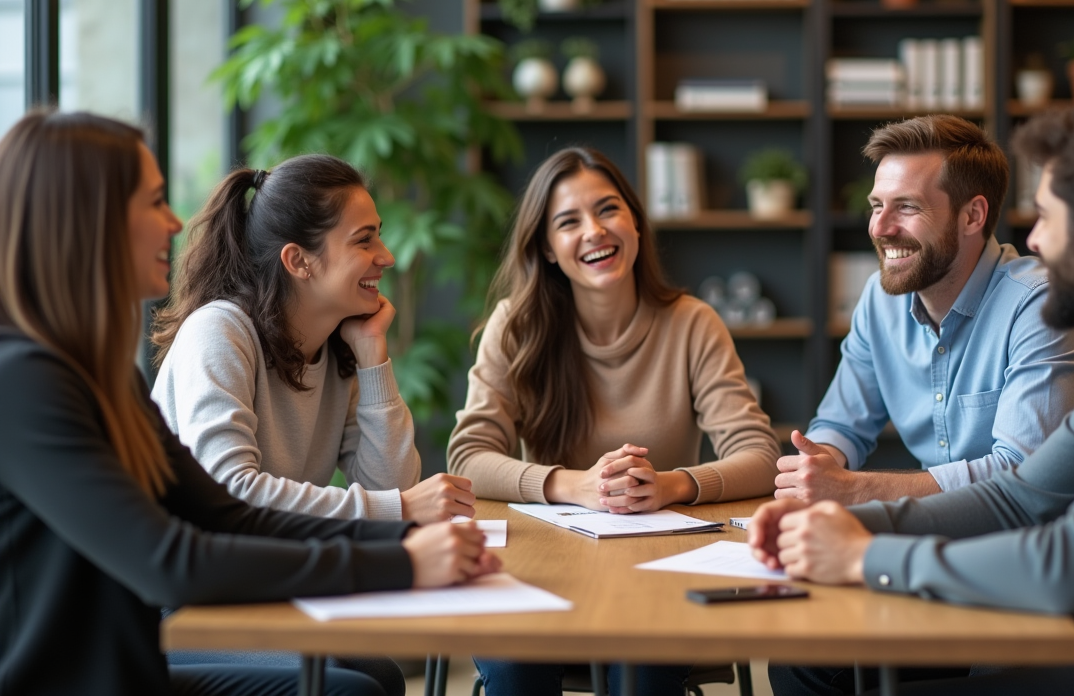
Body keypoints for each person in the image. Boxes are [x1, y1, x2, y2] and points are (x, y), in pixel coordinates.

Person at [0, 110, 498, 696]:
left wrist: (403, 539)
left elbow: (224, 513)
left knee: (374, 679)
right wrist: (405, 559)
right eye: (153, 201)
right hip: (77, 678)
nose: (175, 220)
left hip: (127, 668)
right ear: (89, 221)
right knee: (352, 690)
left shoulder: (100, 376)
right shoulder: (22, 383)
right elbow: (171, 560)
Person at [750, 90, 1074, 695]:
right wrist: (852, 525)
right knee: (815, 659)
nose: (1034, 241)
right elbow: (1021, 496)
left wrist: (864, 556)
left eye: (1046, 218)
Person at [447, 147, 780, 696]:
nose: (594, 231)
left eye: (607, 210)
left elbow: (761, 456)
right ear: (548, 249)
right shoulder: (516, 325)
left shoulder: (693, 323)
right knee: (513, 670)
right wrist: (575, 485)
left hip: (658, 569)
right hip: (543, 566)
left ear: (635, 224)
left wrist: (672, 484)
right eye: (568, 221)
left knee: (645, 670)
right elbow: (468, 456)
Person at [776, 115, 1074, 509]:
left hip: (1033, 548)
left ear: (972, 216)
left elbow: (1024, 474)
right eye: (877, 206)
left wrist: (854, 489)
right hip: (930, 534)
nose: (879, 228)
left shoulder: (1040, 303)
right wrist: (819, 464)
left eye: (906, 207)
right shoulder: (880, 299)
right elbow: (842, 425)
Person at [151, 155, 475, 525]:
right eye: (364, 240)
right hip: (191, 576)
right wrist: (398, 506)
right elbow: (229, 492)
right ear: (299, 261)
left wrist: (373, 357)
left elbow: (390, 486)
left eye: (378, 236)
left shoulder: (337, 346)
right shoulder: (218, 333)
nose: (386, 257)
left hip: (273, 569)